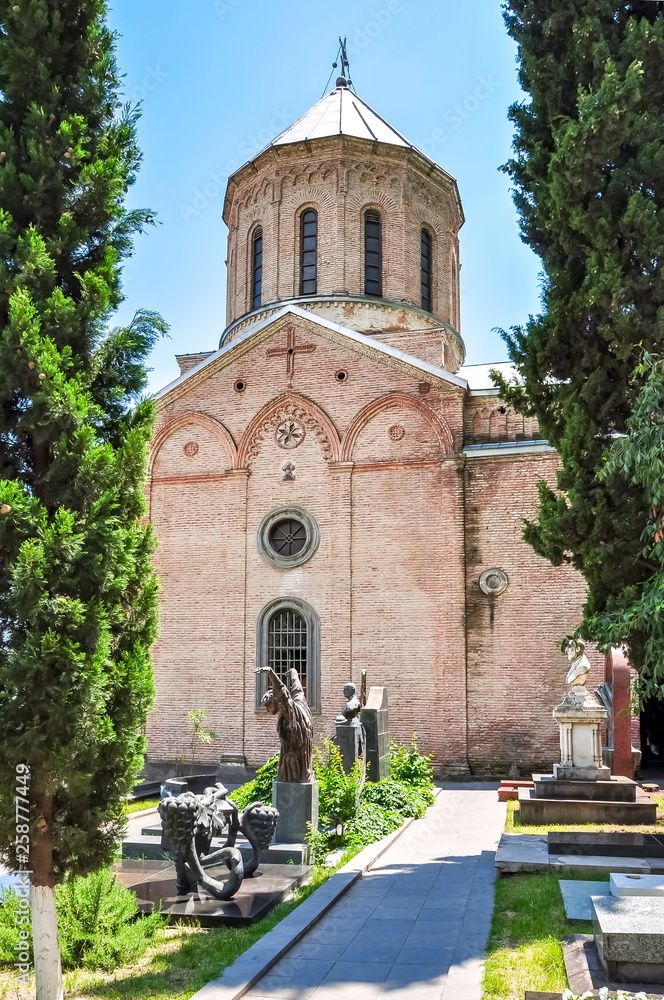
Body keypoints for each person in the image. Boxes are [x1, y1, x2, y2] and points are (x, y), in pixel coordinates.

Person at [255, 666, 314, 783]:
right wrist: (293, 673)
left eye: (268, 706)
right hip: (299, 746)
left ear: (276, 701)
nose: (267, 710)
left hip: (298, 747)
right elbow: (297, 687)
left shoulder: (288, 709)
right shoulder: (299, 700)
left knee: (292, 770)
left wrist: (271, 672)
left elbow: (281, 691)